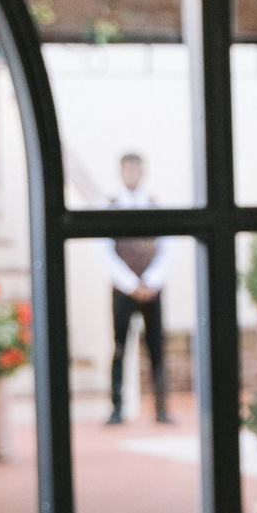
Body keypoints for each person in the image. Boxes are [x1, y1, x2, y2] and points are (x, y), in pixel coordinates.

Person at [101, 151, 175, 424]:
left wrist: (151, 281)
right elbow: (104, 252)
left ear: (142, 172)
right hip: (123, 289)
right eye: (127, 170)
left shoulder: (156, 205)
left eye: (136, 170)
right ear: (121, 172)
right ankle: (116, 408)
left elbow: (168, 247)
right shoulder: (109, 206)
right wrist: (131, 284)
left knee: (156, 346)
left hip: (152, 287)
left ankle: (161, 408)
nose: (131, 174)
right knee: (120, 346)